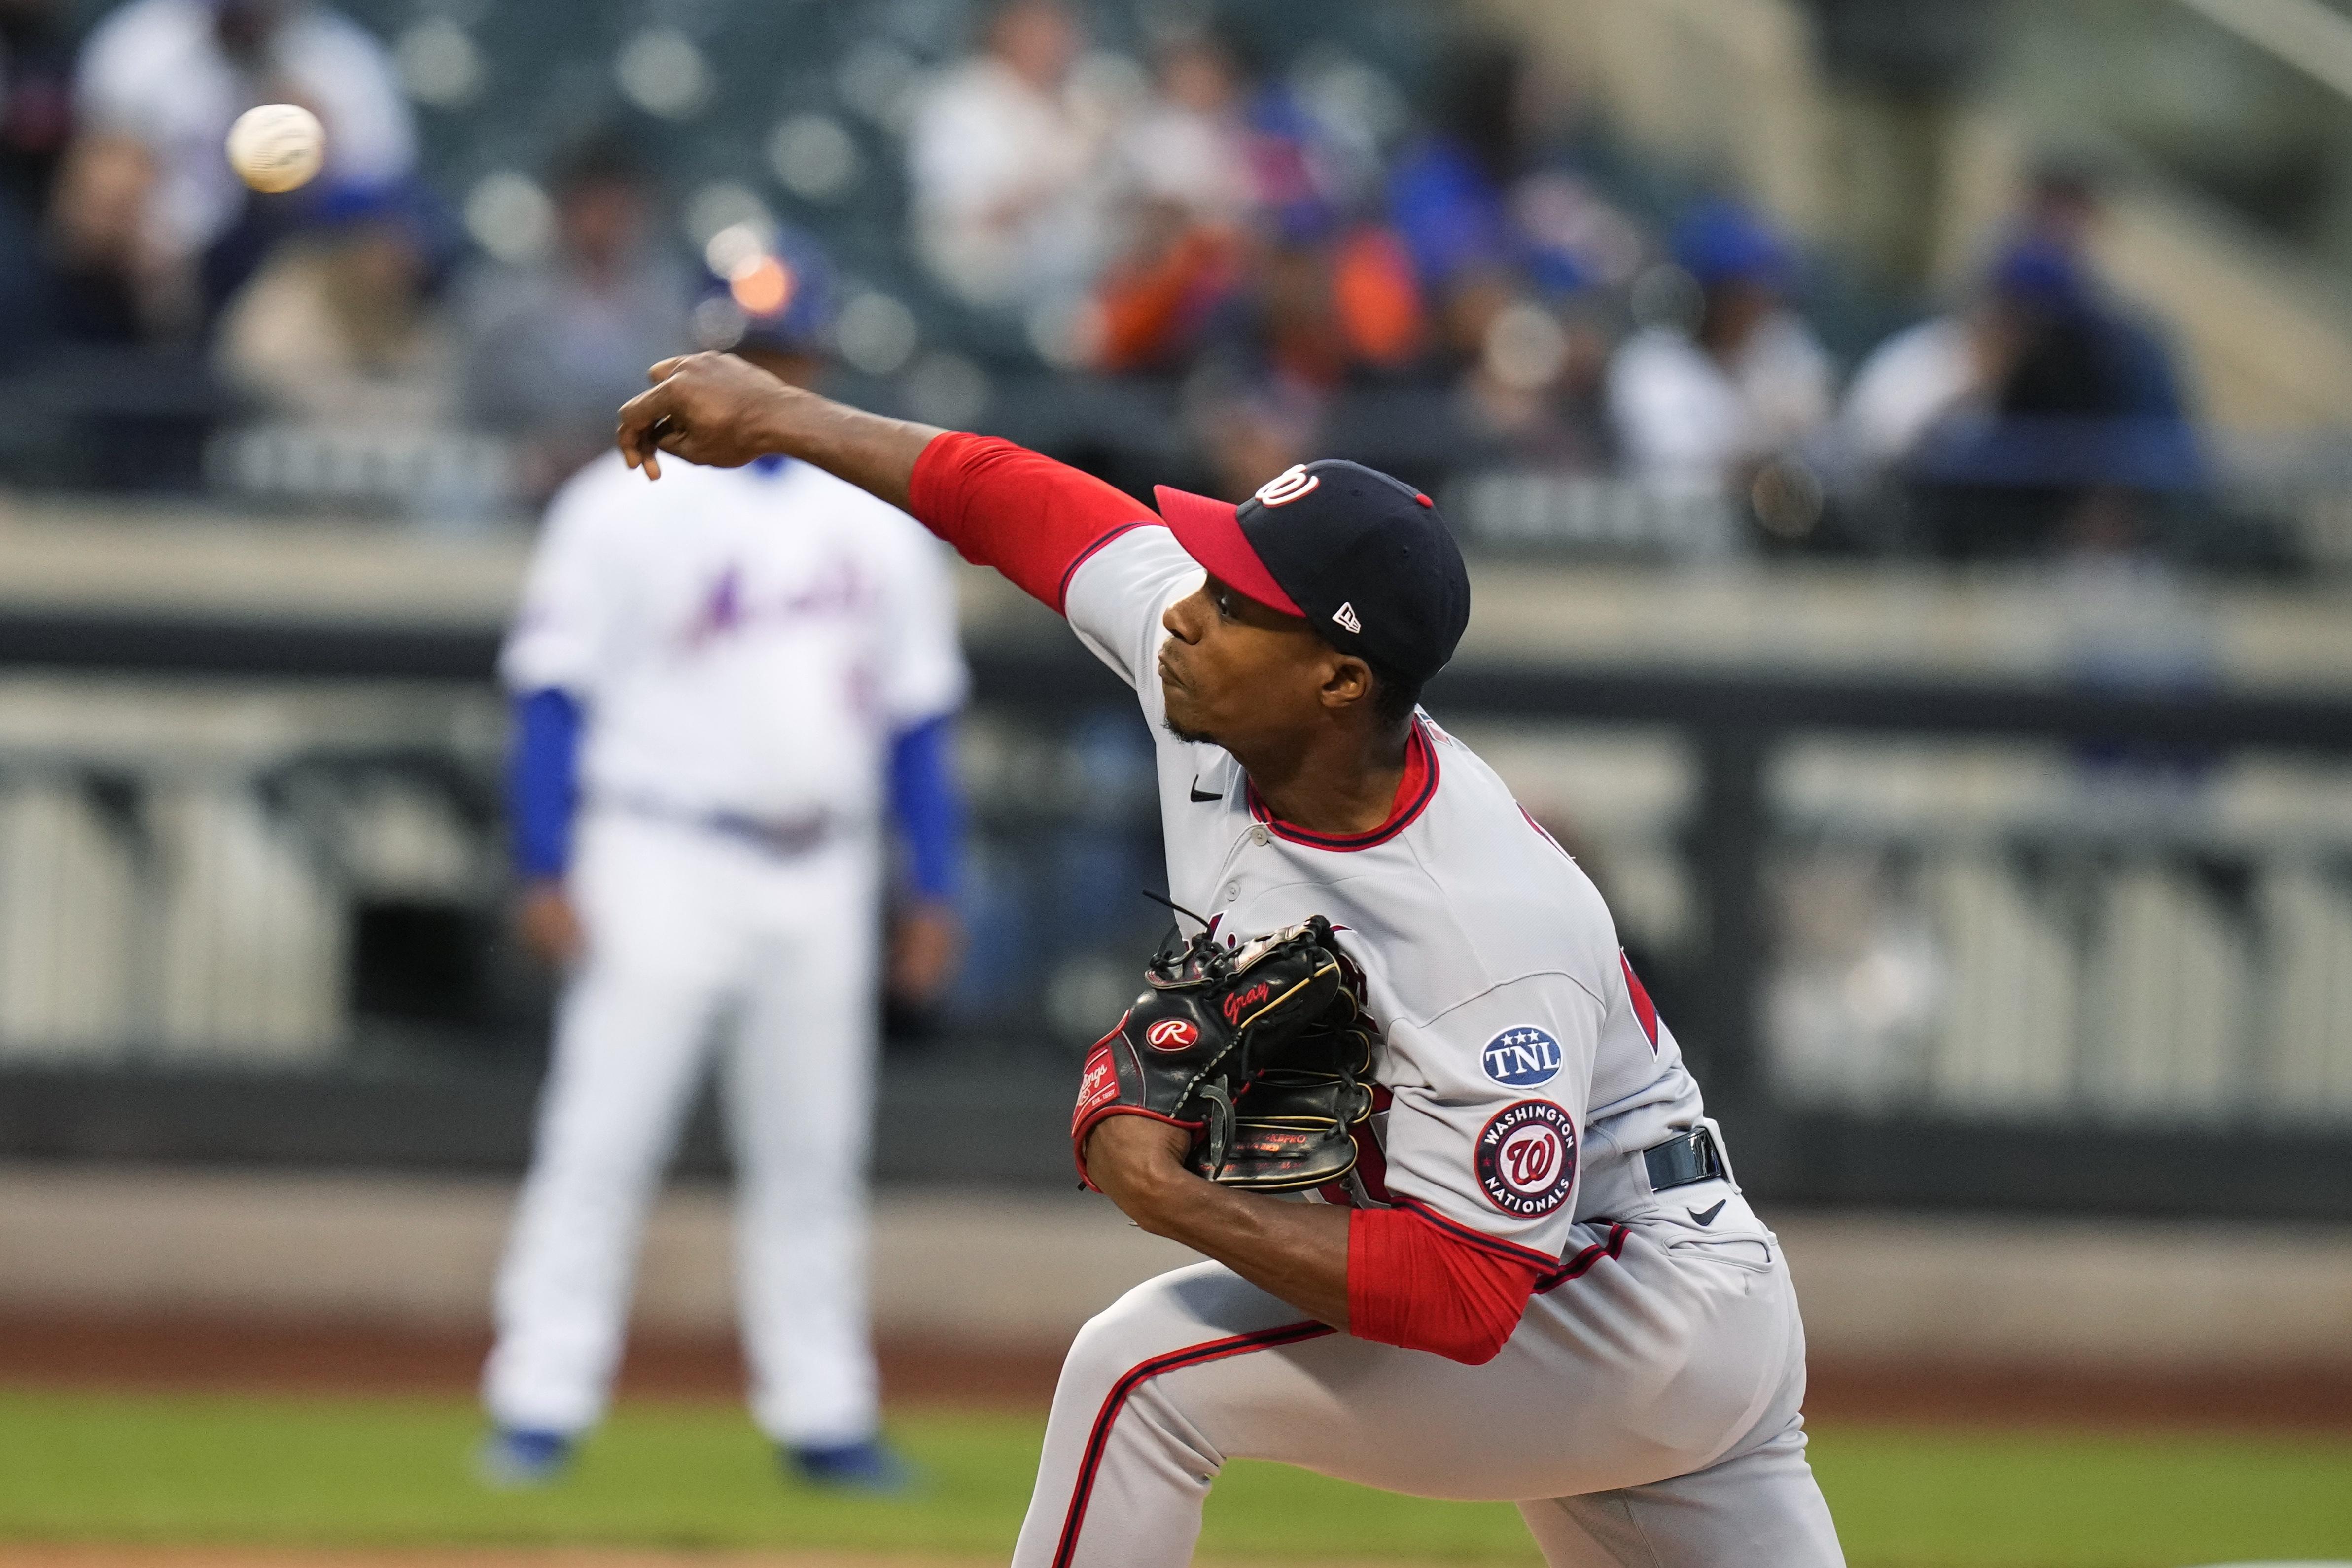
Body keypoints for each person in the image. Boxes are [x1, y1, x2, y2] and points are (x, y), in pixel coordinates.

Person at [612, 358, 1844, 1564]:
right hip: (1619, 1285)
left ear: (1338, 679)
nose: (1187, 613)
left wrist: (1175, 1197)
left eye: (1238, 602)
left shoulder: (1476, 921)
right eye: (1210, 573)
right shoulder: (1216, 678)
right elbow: (1014, 500)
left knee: (1137, 1375)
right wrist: (784, 414)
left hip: (1625, 1286)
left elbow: (1471, 1296)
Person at [479, 236, 969, 1492]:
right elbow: (550, 692)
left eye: (789, 353)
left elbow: (918, 716)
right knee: (602, 1134)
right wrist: (544, 859)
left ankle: (823, 1411)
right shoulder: (619, 494)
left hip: (821, 865)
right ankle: (539, 1398)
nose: (771, 373)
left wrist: (936, 882)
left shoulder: (875, 512)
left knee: (813, 1153)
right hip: (656, 846)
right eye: (752, 354)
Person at [73, 0, 415, 309]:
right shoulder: (141, 44)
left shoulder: (346, 66)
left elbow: (381, 204)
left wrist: (317, 166)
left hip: (287, 256)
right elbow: (97, 173)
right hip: (155, 252)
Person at [458, 134, 694, 504]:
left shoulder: (677, 312)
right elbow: (465, 418)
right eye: (591, 206)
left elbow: (685, 419)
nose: (603, 222)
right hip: (520, 493)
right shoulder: (500, 307)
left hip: (641, 488)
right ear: (564, 209)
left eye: (617, 207)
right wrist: (524, 455)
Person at [1607, 199, 1831, 490]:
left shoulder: (1778, 347)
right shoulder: (1651, 366)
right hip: (1665, 530)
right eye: (1745, 294)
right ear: (1711, 298)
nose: (1762, 307)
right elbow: (1681, 476)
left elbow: (1825, 442)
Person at [904, 0, 1114, 309]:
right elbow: (966, 219)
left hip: (1076, 290)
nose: (1056, 40)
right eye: (1040, 27)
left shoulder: (1083, 98)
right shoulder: (961, 100)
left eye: (1064, 26)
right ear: (1005, 28)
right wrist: (1065, 167)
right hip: (985, 291)